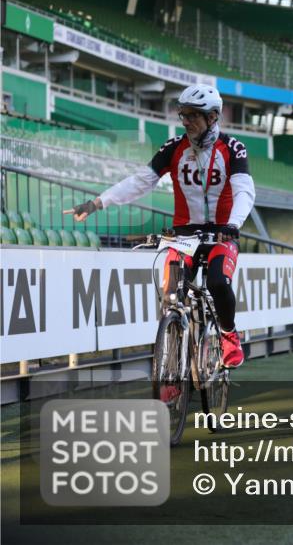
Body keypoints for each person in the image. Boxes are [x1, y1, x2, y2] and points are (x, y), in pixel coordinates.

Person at [64, 84, 255, 377]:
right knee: (170, 293)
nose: (187, 121)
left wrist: (233, 225)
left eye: (194, 115)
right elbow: (140, 182)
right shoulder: (173, 148)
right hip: (184, 236)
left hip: (221, 234)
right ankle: (176, 345)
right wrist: (97, 202)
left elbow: (244, 191)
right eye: (183, 115)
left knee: (217, 282)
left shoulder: (232, 148)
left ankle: (229, 335)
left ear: (213, 117)